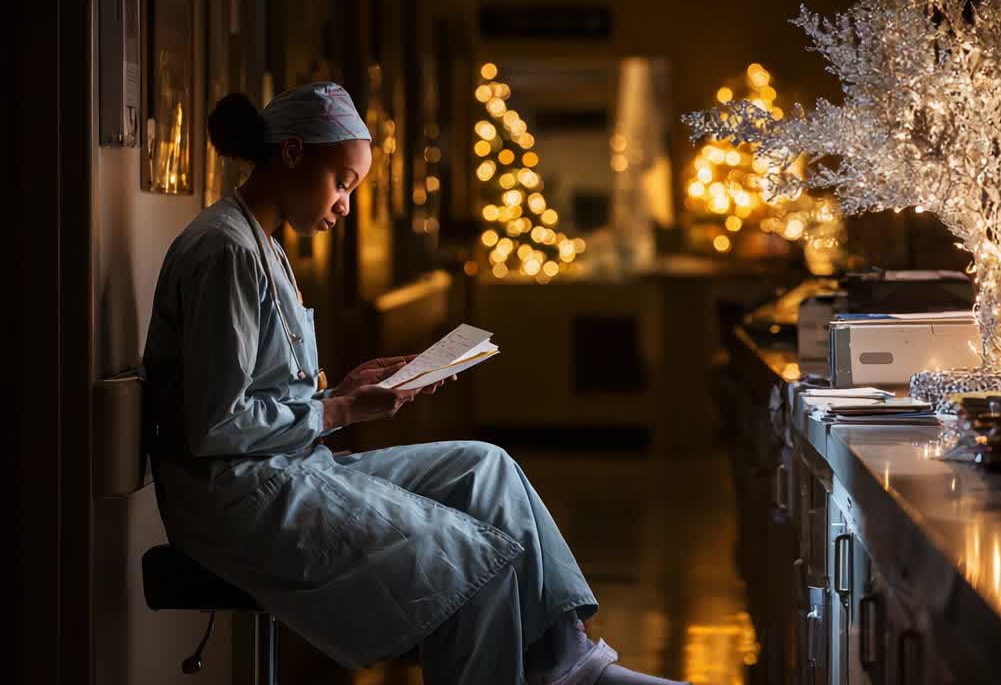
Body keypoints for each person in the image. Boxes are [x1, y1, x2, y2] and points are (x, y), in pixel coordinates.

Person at [142, 82, 687, 685]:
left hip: (287, 467)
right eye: (343, 183)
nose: (345, 205)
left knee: (486, 468)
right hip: (237, 499)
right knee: (475, 562)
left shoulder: (264, 244)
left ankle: (566, 660)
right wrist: (344, 411)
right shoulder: (226, 250)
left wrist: (340, 391)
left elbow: (258, 399)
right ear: (293, 153)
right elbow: (216, 426)